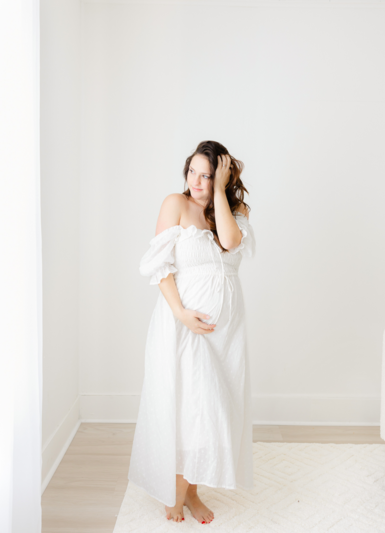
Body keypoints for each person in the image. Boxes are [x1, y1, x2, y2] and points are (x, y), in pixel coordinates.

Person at [128, 140, 256, 524]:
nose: (197, 182)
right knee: (189, 409)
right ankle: (177, 492)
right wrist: (181, 313)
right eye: (193, 173)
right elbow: (158, 265)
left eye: (207, 175)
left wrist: (219, 191)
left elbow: (231, 244)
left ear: (223, 176)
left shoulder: (233, 211)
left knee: (212, 413)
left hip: (226, 334)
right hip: (185, 327)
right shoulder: (176, 204)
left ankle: (192, 491)